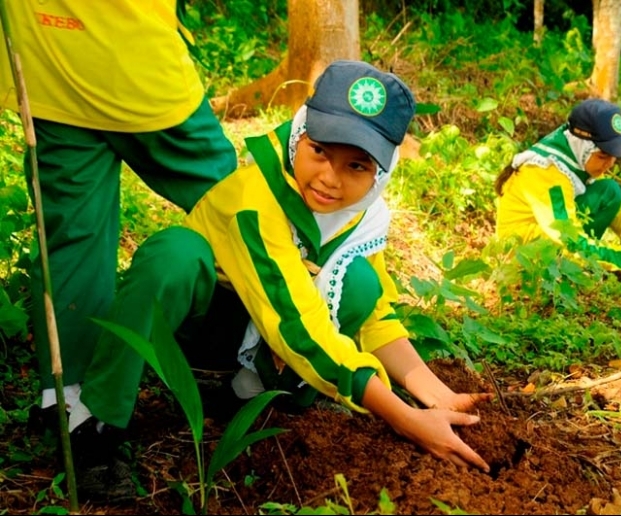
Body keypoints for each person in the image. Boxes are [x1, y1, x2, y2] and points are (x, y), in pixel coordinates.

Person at [64, 60, 492, 502]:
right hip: (199, 327)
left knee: (360, 282)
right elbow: (297, 324)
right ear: (300, 131)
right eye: (320, 151)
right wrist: (403, 417)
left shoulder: (362, 215)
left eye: (356, 166)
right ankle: (97, 426)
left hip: (267, 328)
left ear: (380, 173)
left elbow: (375, 318)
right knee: (173, 255)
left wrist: (437, 395)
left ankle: (246, 396)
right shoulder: (256, 198)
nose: (330, 178)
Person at [0, 2, 238, 434]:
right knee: (235, 211)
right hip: (136, 65)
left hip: (50, 57)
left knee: (72, 232)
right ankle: (233, 361)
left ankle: (65, 395)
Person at [494, 98, 621, 279]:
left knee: (608, 190)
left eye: (614, 157)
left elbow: (610, 202)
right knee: (575, 240)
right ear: (583, 146)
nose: (610, 164)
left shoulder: (576, 157)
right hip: (526, 255)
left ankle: (584, 263)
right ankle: (573, 269)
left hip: (549, 236)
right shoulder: (549, 172)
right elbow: (567, 238)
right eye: (603, 156)